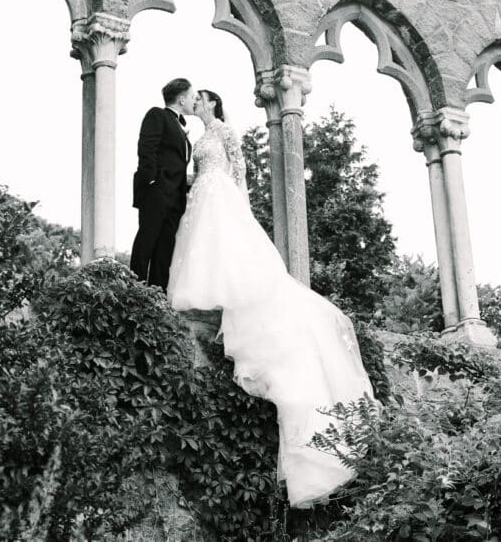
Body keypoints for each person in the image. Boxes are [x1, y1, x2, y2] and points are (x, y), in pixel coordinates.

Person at [168, 89, 376, 509]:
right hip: (202, 198)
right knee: (201, 251)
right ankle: (204, 295)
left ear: (210, 103)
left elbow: (240, 167)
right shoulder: (197, 134)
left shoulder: (224, 130)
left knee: (228, 253)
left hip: (222, 197)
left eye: (199, 99)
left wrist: (238, 204)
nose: (194, 103)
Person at [129, 78, 197, 290]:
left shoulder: (179, 125)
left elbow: (176, 162)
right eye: (193, 97)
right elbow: (146, 148)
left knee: (164, 250)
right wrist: (151, 182)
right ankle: (133, 292)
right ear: (182, 98)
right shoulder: (157, 114)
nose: (194, 101)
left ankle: (156, 298)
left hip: (175, 198)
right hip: (156, 192)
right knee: (146, 243)